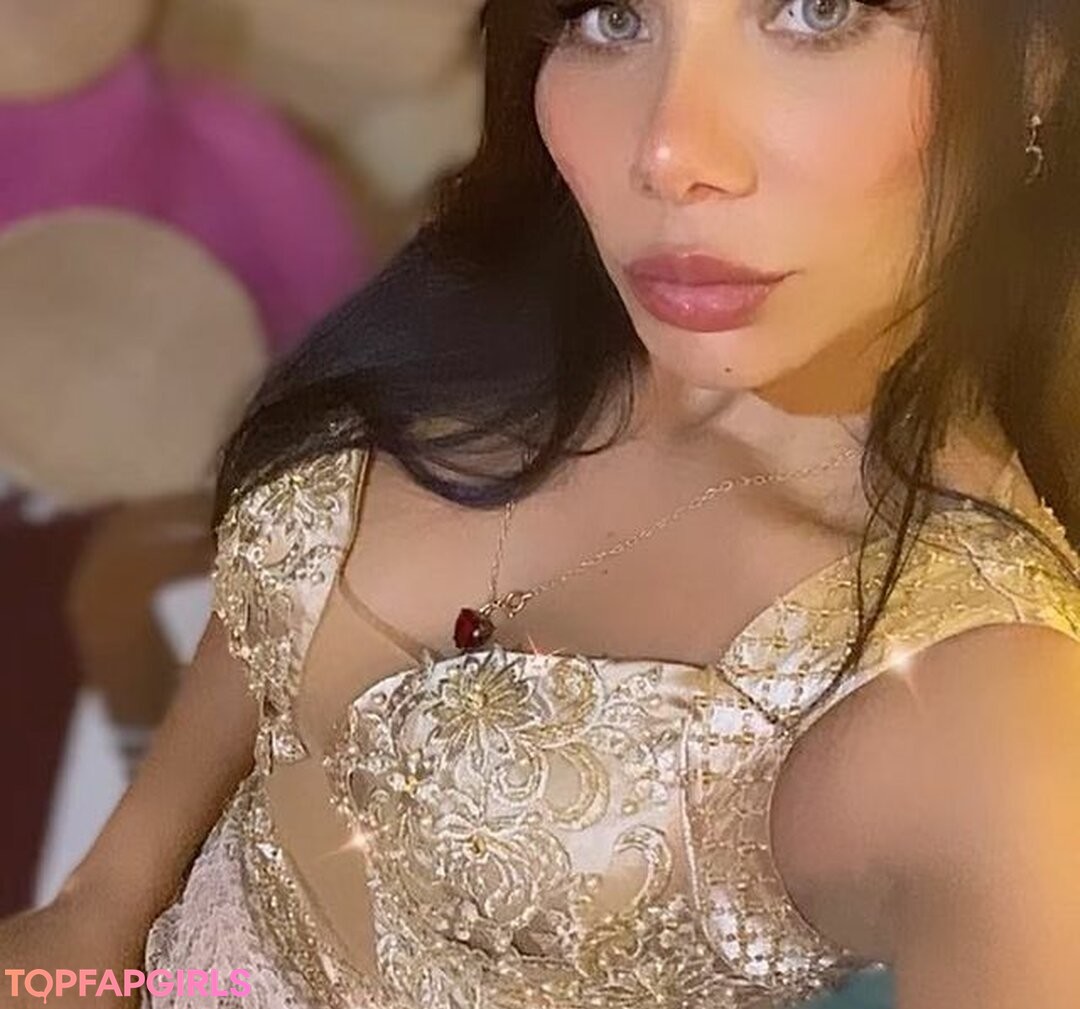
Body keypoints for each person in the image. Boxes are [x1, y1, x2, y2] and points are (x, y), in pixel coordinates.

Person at [2, 1, 1079, 1008]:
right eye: (612, 15)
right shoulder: (507, 301)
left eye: (815, 10)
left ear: (1037, 63)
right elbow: (133, 870)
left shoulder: (999, 714)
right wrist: (92, 916)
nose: (667, 152)